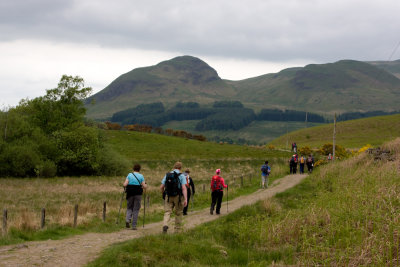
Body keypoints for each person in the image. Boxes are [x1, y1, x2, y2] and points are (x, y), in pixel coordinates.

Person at [160, 162, 187, 233]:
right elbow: (184, 188)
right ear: (180, 168)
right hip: (178, 197)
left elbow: (161, 187)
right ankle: (177, 230)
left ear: (174, 167)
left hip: (168, 196)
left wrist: (163, 194)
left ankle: (165, 224)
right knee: (178, 213)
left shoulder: (168, 175)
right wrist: (186, 199)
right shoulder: (181, 176)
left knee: (167, 212)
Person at [123, 164, 147, 230]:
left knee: (129, 207)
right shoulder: (141, 176)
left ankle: (128, 220)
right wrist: (145, 185)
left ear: (133, 168)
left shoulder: (129, 175)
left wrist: (125, 186)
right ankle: (134, 225)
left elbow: (125, 184)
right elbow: (144, 186)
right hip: (138, 194)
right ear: (139, 169)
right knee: (136, 209)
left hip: (130, 193)